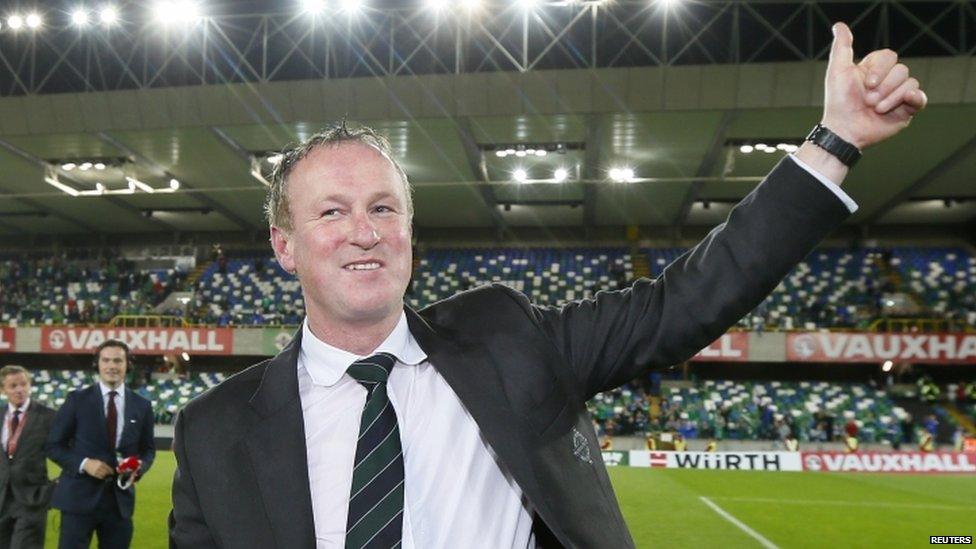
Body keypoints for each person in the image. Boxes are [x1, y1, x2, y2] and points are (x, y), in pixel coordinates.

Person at [169, 23, 927, 548]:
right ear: (284, 244)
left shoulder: (507, 339)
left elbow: (687, 301)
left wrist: (836, 142)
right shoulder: (213, 430)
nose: (364, 231)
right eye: (331, 212)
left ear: (409, 229)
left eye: (383, 207)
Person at [46, 340, 156, 549]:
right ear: (97, 364)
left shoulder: (142, 406)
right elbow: (53, 445)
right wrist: (84, 463)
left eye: (118, 360)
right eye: (106, 360)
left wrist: (139, 467)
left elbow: (148, 450)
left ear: (127, 365)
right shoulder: (76, 400)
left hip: (119, 503)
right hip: (77, 500)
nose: (111, 366)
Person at [0, 366, 56, 548]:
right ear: (3, 390)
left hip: (32, 500)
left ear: (30, 385)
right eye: (13, 385)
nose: (19, 389)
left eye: (23, 384)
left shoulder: (48, 417)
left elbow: (68, 450)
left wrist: (58, 484)